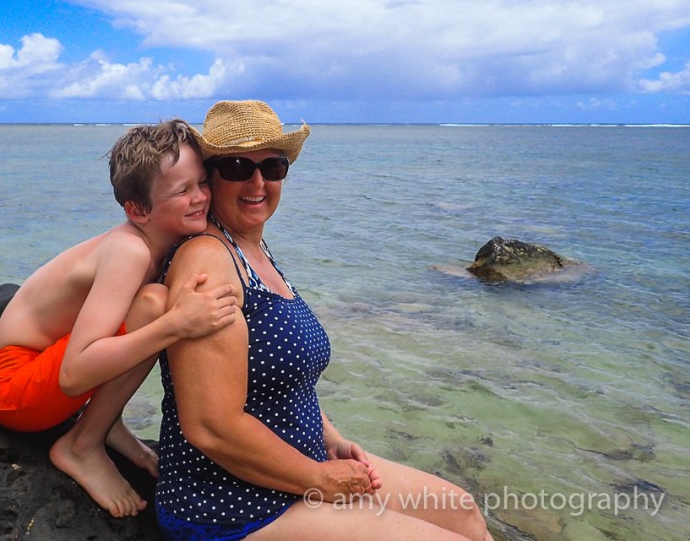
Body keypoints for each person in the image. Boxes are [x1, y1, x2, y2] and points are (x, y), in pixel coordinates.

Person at [155, 100, 493, 540]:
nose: (258, 182)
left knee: (462, 511)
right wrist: (318, 478)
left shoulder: (253, 250)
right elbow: (211, 427)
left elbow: (281, 383)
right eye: (238, 167)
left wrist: (330, 437)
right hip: (234, 503)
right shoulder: (208, 259)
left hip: (301, 466)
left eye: (273, 167)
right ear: (209, 178)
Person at [0, 119, 238, 519]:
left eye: (202, 182)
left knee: (152, 306)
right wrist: (176, 324)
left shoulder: (160, 243)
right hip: (15, 390)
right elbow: (73, 375)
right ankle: (82, 445)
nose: (201, 197)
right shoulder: (129, 252)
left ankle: (105, 421)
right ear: (137, 210)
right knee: (154, 305)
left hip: (46, 373)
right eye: (182, 190)